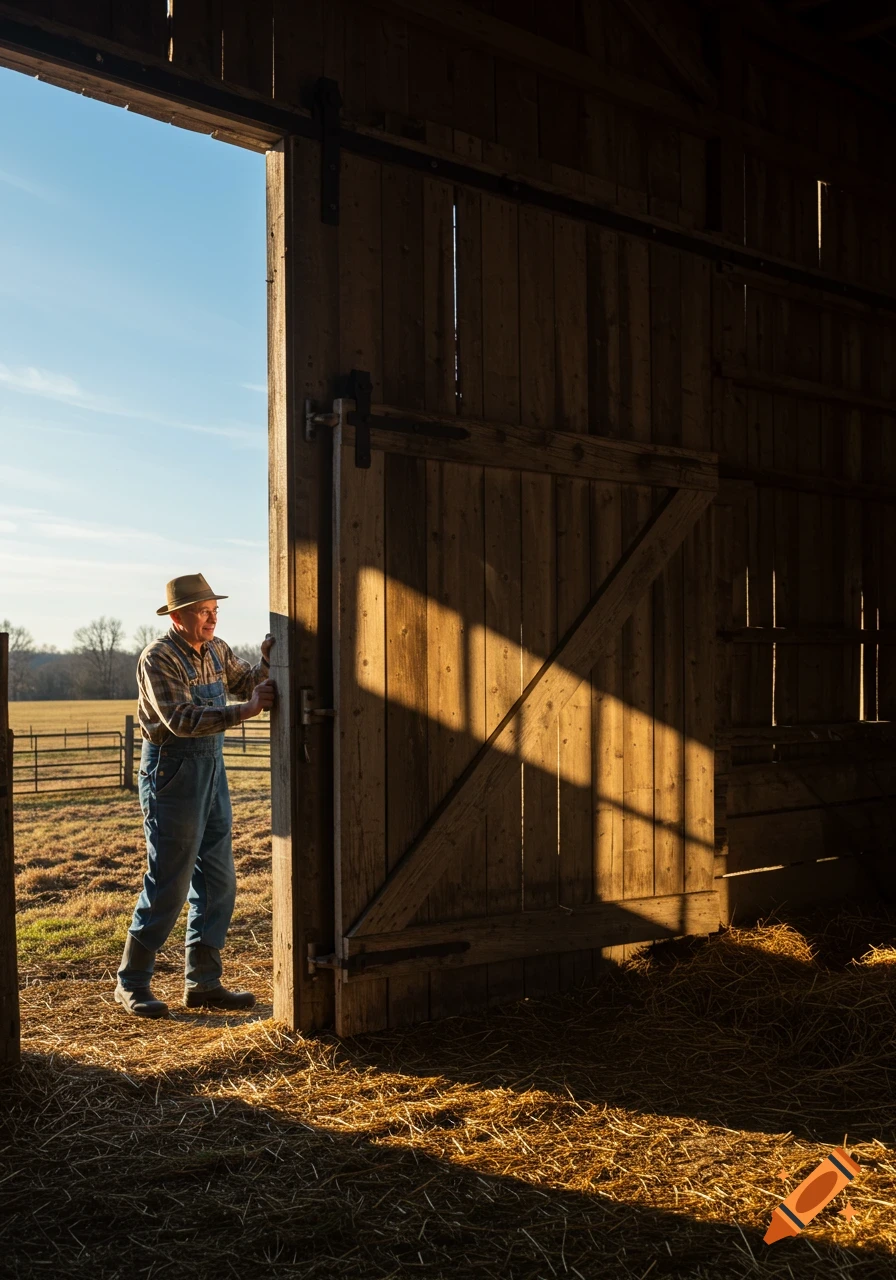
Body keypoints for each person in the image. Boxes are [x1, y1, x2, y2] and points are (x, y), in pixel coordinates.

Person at [114, 572, 276, 1018]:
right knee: (170, 881)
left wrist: (266, 661)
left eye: (214, 610)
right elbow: (181, 720)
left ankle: (203, 983)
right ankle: (132, 983)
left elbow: (246, 684)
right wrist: (245, 711)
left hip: (210, 772)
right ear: (179, 616)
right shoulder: (157, 657)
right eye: (203, 611)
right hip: (172, 772)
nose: (212, 616)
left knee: (219, 880)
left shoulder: (217, 649)